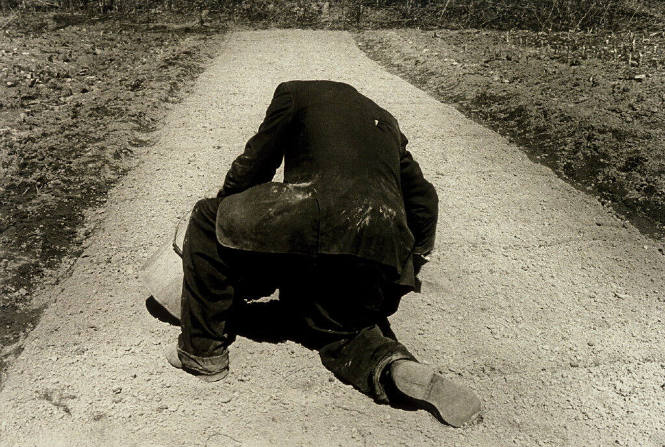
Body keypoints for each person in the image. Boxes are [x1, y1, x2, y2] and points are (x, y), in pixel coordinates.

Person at [165, 80, 481, 427]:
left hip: (314, 219)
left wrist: (227, 205)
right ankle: (391, 366)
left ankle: (201, 351)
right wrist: (413, 262)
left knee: (209, 217)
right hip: (379, 248)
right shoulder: (386, 121)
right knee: (338, 327)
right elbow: (425, 200)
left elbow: (255, 164)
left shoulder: (295, 94)